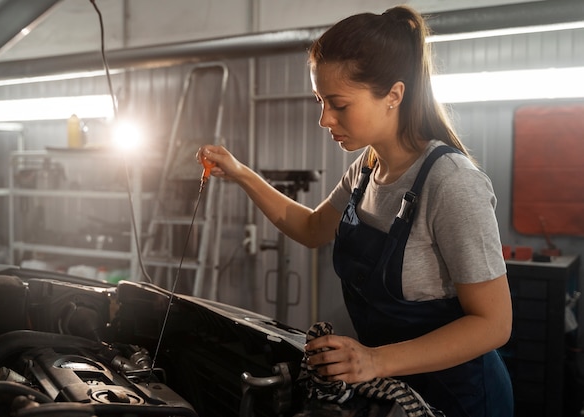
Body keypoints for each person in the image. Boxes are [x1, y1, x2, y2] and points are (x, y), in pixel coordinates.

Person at [197, 5, 513, 416]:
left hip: (461, 398)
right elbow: (312, 228)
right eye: (319, 100)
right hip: (393, 390)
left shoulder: (451, 183)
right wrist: (241, 174)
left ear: (394, 96)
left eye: (338, 103)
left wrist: (374, 360)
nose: (324, 118)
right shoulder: (366, 168)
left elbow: (494, 324)